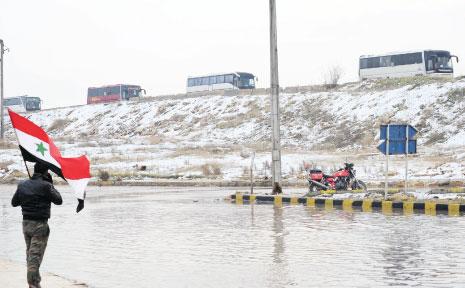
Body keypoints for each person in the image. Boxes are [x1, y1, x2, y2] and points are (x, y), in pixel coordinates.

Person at [11, 162, 62, 288]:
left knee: (30, 254)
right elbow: (59, 200)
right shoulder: (46, 186)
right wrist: (50, 184)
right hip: (40, 225)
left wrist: (27, 191)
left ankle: (35, 282)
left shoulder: (22, 184)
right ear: (45, 173)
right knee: (34, 256)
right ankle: (33, 284)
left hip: (26, 224)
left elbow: (14, 203)